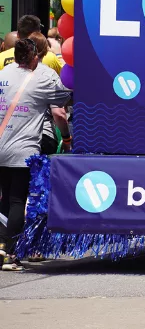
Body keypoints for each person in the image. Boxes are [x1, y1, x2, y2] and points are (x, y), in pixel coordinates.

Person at [0, 38, 73, 271]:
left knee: (3, 199)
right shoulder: (44, 76)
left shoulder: (5, 71)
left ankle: (2, 245)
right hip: (22, 149)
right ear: (34, 57)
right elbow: (61, 110)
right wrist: (68, 138)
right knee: (16, 200)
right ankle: (9, 254)